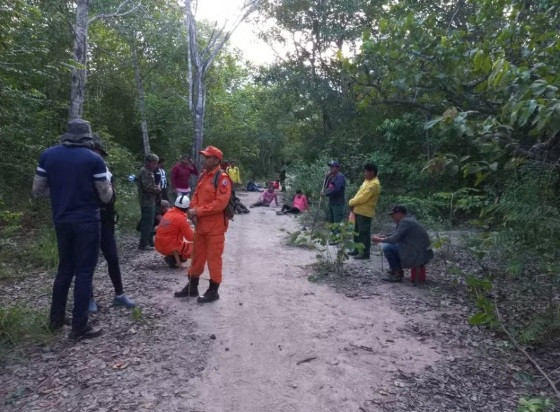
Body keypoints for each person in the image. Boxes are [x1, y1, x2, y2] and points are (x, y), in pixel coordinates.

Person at [32, 119, 112, 340]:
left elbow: (38, 190)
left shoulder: (48, 155)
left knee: (64, 269)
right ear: (88, 137)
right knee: (84, 273)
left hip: (62, 220)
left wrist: (60, 194)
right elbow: (105, 196)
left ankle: (56, 319)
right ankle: (79, 327)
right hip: (87, 221)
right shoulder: (94, 159)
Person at [174, 145, 232, 303]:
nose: (204, 160)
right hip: (200, 226)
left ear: (216, 160)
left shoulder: (222, 178)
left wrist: (197, 211)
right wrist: (192, 210)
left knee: (214, 259)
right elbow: (195, 195)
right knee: (197, 257)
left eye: (207, 157)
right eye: (204, 157)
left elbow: (220, 203)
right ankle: (192, 287)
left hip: (215, 228)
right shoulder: (203, 175)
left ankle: (213, 291)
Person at [88, 137, 135, 312]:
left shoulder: (105, 170)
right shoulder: (82, 169)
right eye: (98, 152)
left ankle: (119, 295)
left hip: (106, 219)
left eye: (100, 153)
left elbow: (111, 195)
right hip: (89, 220)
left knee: (113, 259)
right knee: (88, 262)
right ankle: (88, 298)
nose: (99, 156)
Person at [372, 205, 434, 282]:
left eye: (393, 215)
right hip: (420, 250)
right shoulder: (408, 219)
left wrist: (379, 239)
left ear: (399, 213)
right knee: (390, 246)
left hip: (417, 252)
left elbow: (394, 239)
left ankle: (397, 273)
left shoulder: (405, 221)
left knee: (387, 247)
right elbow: (395, 233)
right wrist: (382, 236)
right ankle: (396, 270)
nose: (392, 217)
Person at [347, 163, 381, 260]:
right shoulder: (367, 181)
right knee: (356, 232)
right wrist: (353, 202)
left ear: (372, 172)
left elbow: (363, 198)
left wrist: (351, 202)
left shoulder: (374, 184)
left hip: (365, 212)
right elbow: (359, 194)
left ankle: (365, 253)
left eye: (366, 171)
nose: (364, 173)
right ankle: (357, 250)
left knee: (364, 233)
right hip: (358, 210)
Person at [155, 194, 194, 268]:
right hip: (170, 246)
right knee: (198, 247)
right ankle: (175, 259)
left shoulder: (168, 213)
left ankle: (173, 258)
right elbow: (191, 238)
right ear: (187, 208)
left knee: (181, 243)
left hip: (159, 245)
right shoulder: (181, 219)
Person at [137, 153, 161, 250]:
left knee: (150, 222)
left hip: (151, 200)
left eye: (156, 163)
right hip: (146, 201)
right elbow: (147, 187)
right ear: (148, 162)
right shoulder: (144, 172)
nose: (155, 165)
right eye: (153, 163)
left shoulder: (149, 171)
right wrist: (157, 189)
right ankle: (144, 243)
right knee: (147, 222)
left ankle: (150, 241)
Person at [323, 160, 346, 244]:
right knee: (332, 221)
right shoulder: (332, 176)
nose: (331, 168)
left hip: (338, 203)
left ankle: (338, 239)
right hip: (332, 202)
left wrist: (326, 194)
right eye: (330, 167)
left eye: (333, 167)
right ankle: (333, 237)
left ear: (338, 168)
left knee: (337, 222)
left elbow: (336, 189)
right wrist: (326, 177)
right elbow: (326, 185)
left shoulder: (340, 176)